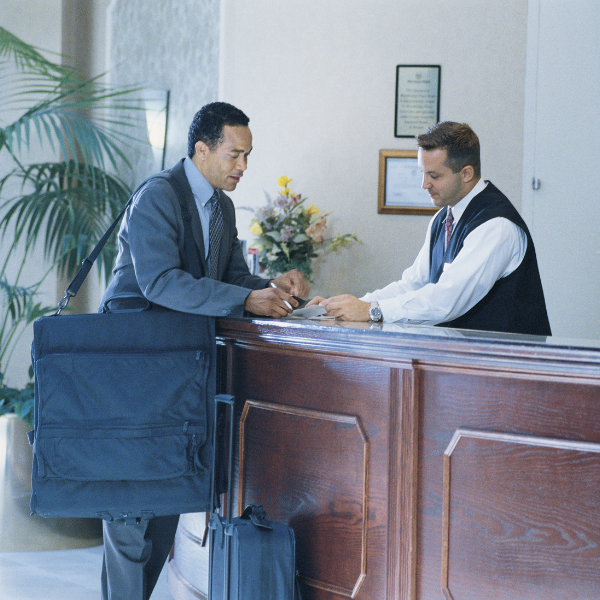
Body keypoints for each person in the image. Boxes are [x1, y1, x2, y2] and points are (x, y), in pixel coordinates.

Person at [99, 102, 308, 600]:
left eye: (247, 156)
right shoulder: (157, 196)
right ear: (201, 149)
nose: (242, 167)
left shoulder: (222, 206)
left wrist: (273, 286)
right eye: (235, 155)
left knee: (167, 500)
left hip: (180, 369)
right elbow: (161, 283)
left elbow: (230, 279)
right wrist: (245, 297)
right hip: (136, 367)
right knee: (130, 509)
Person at [309, 121, 551, 336]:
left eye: (434, 175)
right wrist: (344, 307)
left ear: (466, 173)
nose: (424, 184)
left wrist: (371, 311)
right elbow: (414, 283)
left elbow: (447, 300)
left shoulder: (496, 226)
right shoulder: (443, 218)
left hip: (509, 367)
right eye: (422, 173)